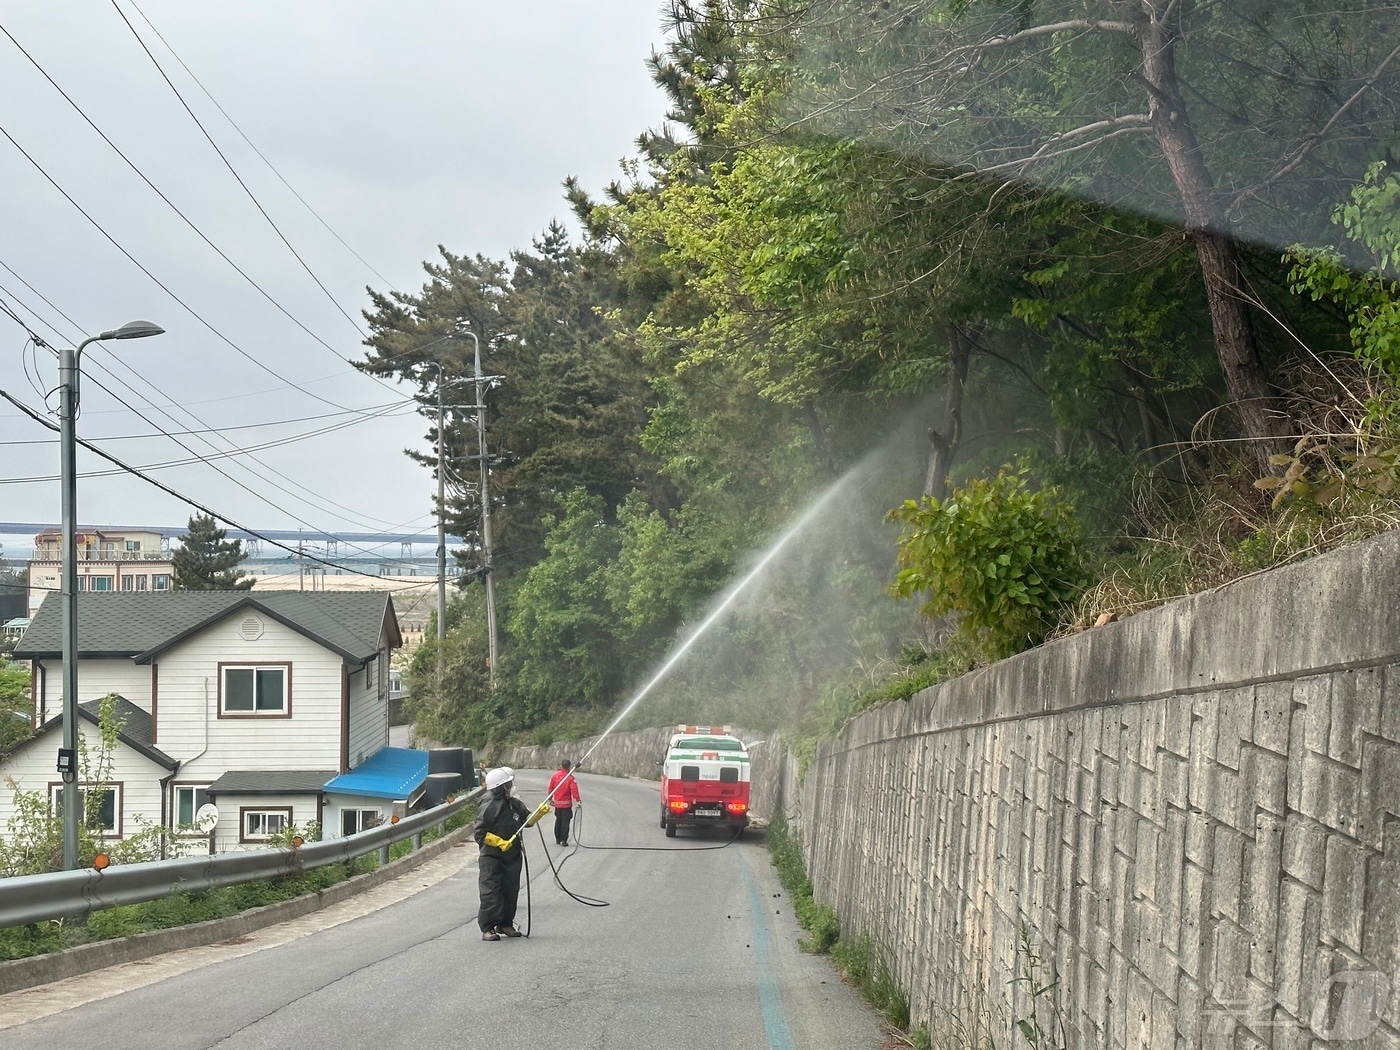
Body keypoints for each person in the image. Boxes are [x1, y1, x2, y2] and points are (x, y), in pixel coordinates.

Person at [474, 767, 549, 941]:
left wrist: (538, 814)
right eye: (508, 784)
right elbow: (479, 833)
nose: (511, 786)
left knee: (510, 890)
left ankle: (505, 924)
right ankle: (488, 928)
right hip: (491, 857)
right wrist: (499, 842)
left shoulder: (514, 804)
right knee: (491, 893)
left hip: (513, 856)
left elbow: (526, 821)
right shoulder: (488, 806)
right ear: (501, 787)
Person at [546, 759, 582, 846]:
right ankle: (563, 840)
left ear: (561, 765)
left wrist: (550, 799)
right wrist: (578, 801)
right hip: (566, 805)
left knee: (558, 820)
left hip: (557, 804)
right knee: (565, 822)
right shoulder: (570, 778)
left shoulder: (555, 776)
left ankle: (557, 838)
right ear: (569, 766)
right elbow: (574, 790)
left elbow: (550, 788)